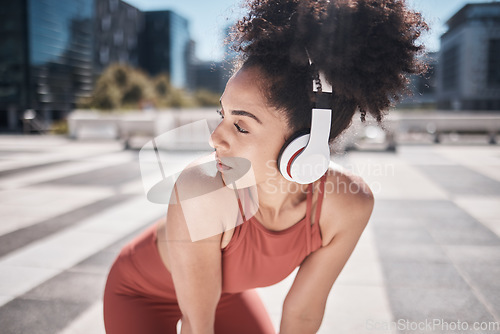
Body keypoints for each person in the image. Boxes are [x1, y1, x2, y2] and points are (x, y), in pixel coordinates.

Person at [103, 0, 428, 333]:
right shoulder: (202, 189)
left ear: (306, 148)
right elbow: (197, 325)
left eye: (241, 126)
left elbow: (302, 314)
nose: (216, 138)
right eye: (222, 115)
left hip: (224, 294)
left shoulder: (348, 206)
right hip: (139, 291)